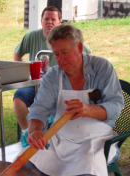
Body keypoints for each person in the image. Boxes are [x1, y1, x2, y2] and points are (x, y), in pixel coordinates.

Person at [21, 23, 124, 176]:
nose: (61, 59)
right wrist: (34, 130)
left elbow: (116, 106)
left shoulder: (103, 68)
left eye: (65, 52)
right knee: (28, 166)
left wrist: (89, 109)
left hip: (96, 137)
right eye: (57, 54)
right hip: (62, 137)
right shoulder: (53, 76)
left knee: (85, 171)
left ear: (80, 48)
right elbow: (39, 110)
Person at [13, 6, 94, 136]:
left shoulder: (66, 39)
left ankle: (54, 134)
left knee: (59, 104)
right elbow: (17, 53)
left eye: (53, 19)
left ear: (59, 22)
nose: (49, 22)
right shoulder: (31, 37)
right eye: (46, 19)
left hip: (59, 85)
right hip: (36, 84)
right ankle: (28, 133)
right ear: (41, 21)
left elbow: (89, 54)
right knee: (19, 98)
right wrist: (23, 75)